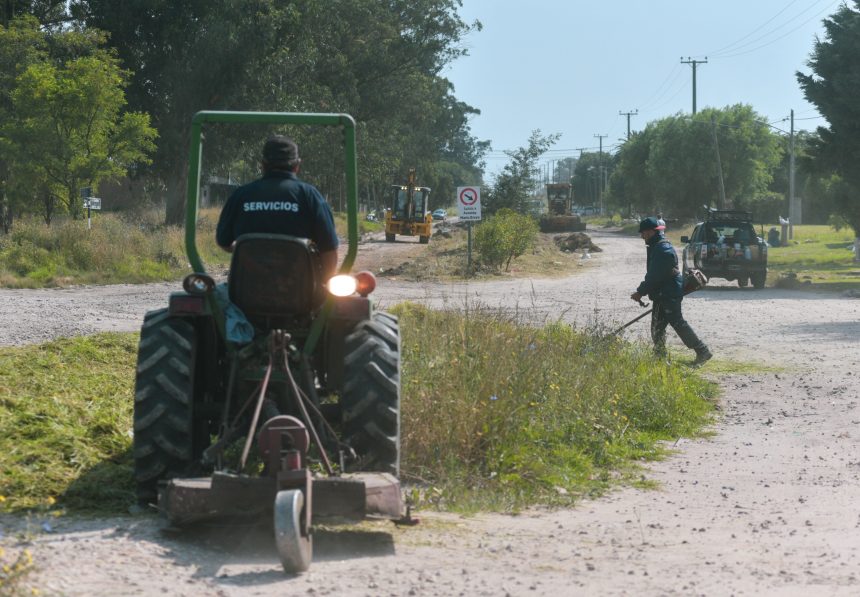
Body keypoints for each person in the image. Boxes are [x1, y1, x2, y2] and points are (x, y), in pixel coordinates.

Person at [215, 135, 339, 279]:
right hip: (301, 293)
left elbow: (223, 241)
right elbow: (329, 249)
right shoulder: (310, 196)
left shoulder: (240, 195)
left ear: (262, 164)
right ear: (297, 165)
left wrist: (248, 253)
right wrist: (327, 283)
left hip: (246, 293)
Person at [631, 217, 712, 365]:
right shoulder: (657, 246)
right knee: (657, 326)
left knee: (678, 323)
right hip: (663, 293)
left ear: (650, 232)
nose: (642, 236)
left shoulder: (662, 249)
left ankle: (702, 351)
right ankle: (660, 357)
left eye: (643, 233)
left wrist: (640, 292)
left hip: (668, 294)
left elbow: (654, 276)